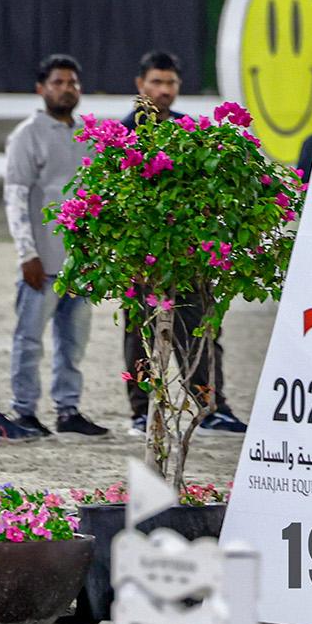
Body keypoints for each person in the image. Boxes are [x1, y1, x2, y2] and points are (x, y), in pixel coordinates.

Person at [120, 50, 246, 436]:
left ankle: (210, 408)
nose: (164, 90)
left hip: (187, 256)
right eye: (156, 82)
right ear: (140, 84)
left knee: (200, 329)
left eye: (170, 83)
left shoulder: (188, 131)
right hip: (141, 256)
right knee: (140, 335)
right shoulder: (122, 133)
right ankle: (141, 412)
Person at [2, 53, 106, 437]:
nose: (67, 89)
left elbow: (97, 199)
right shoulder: (27, 135)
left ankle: (68, 410)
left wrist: (96, 255)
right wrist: (27, 254)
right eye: (58, 82)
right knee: (29, 340)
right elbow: (15, 197)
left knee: (73, 344)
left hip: (79, 264)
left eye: (72, 82)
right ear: (41, 89)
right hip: (42, 262)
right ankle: (24, 412)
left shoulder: (88, 136)